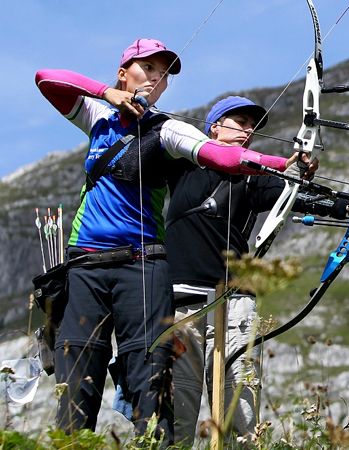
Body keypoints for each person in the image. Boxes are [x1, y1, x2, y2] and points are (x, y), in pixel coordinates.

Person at [35, 38, 301, 442]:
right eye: (148, 69)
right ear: (125, 72)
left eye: (162, 76)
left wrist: (285, 163)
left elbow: (225, 157)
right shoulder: (97, 115)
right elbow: (47, 79)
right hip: (86, 265)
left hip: (140, 265)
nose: (155, 80)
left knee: (150, 382)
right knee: (77, 382)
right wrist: (107, 92)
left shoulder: (168, 129)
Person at [166, 95, 349, 445]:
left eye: (253, 126)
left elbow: (299, 195)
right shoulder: (182, 165)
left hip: (235, 304)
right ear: (214, 125)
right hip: (183, 303)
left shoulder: (255, 178)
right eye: (240, 122)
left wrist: (347, 205)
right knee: (177, 409)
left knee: (242, 410)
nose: (248, 130)